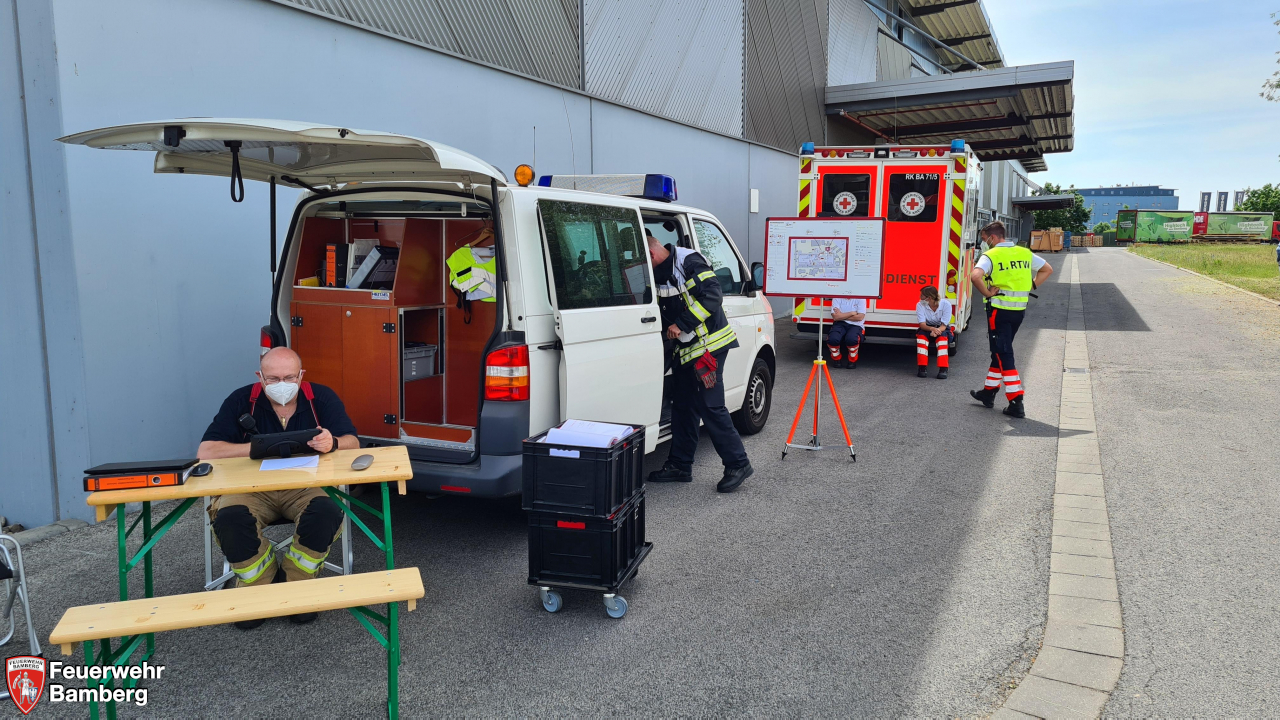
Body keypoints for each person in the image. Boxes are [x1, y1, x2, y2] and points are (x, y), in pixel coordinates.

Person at [198, 347, 359, 629]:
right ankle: (258, 583)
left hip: (306, 485)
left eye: (289, 377)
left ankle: (297, 582)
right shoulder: (241, 400)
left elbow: (353, 443)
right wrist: (258, 448)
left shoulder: (320, 397)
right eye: (273, 379)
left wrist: (332, 443)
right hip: (249, 487)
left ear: (301, 375)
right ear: (260, 376)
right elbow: (206, 451)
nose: (282, 384)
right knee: (230, 518)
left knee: (327, 511)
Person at [644, 230, 754, 493]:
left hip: (709, 349)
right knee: (683, 407)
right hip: (686, 351)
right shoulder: (659, 272)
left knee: (710, 406)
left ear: (651, 254)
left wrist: (681, 324)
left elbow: (713, 296)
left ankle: (738, 463)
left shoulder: (688, 261)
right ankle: (680, 465)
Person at [968, 221, 1053, 418]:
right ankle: (988, 392)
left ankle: (1016, 401)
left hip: (999, 311)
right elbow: (1047, 269)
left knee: (1004, 352)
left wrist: (987, 294)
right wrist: (1031, 285)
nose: (984, 243)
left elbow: (975, 276)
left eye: (984, 239)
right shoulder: (1024, 253)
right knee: (1000, 350)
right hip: (1018, 312)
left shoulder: (991, 255)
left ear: (992, 237)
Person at [915, 286, 953, 379]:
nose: (920, 298)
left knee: (942, 340)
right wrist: (932, 329)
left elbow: (944, 326)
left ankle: (943, 369)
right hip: (927, 328)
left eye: (922, 296)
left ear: (929, 298)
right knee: (921, 339)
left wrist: (936, 332)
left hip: (941, 328)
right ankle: (922, 368)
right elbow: (922, 325)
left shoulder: (946, 305)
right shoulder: (920, 305)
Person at [826, 297, 866, 369]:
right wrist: (852, 313)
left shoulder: (861, 298)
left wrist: (841, 315)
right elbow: (835, 317)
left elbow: (860, 317)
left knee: (852, 339)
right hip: (839, 324)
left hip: (856, 325)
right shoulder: (837, 298)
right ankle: (836, 359)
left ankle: (852, 360)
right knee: (832, 339)